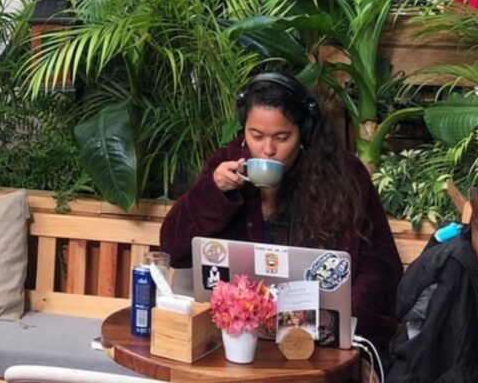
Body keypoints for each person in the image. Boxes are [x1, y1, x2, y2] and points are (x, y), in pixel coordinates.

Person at [159, 72, 403, 352]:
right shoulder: (227, 165)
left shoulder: (344, 175)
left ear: (304, 132)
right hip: (238, 335)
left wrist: (344, 332)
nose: (267, 150)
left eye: (282, 137)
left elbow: (380, 268)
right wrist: (213, 191)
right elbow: (172, 249)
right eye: (256, 135)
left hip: (318, 341)